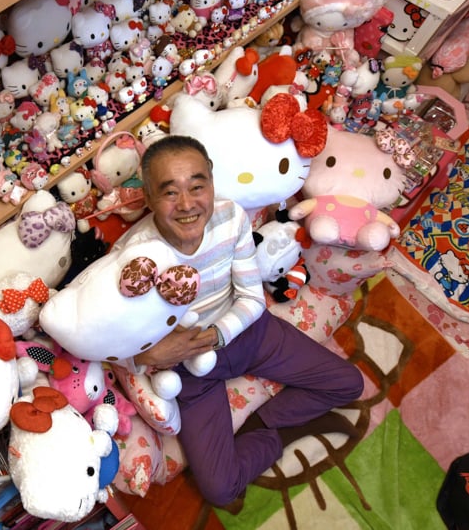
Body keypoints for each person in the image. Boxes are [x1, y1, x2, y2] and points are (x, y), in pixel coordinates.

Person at [114, 134, 364, 509]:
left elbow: (251, 297)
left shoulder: (230, 217)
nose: (187, 204)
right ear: (148, 198)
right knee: (220, 490)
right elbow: (112, 342)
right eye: (169, 192)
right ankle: (269, 441)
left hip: (249, 333)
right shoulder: (131, 259)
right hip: (191, 370)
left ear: (212, 183)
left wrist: (217, 336)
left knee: (348, 384)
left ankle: (264, 424)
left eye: (197, 186)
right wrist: (150, 354)